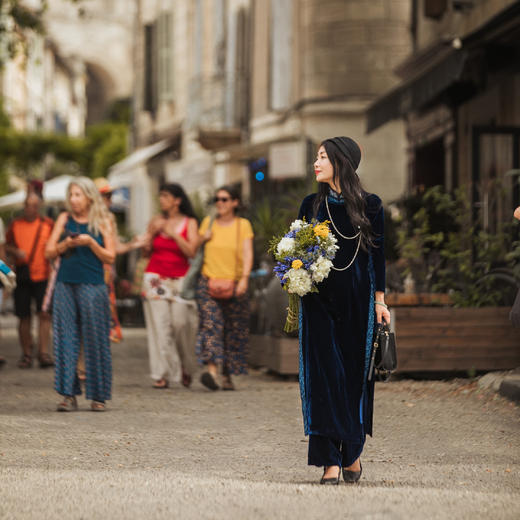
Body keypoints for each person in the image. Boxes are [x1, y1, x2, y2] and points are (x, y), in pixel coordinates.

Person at [296, 137, 390, 485]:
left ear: (342, 161)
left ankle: (351, 454)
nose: (315, 163)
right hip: (317, 302)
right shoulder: (310, 205)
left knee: (352, 379)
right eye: (316, 157)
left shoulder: (371, 205)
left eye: (322, 157)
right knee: (324, 377)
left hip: (358, 303)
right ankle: (329, 462)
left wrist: (380, 301)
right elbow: (298, 250)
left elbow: (378, 259)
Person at [45, 177, 115, 412]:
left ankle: (98, 396)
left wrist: (90, 244)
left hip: (93, 286)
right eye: (71, 195)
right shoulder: (64, 219)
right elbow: (48, 251)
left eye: (78, 195)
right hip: (65, 284)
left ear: (89, 196)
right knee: (65, 339)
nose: (73, 200)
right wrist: (66, 245)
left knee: (96, 341)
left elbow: (111, 256)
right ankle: (67, 394)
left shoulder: (103, 220)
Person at [141, 183, 199, 389]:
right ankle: (161, 372)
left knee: (181, 323)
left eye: (165, 196)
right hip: (155, 277)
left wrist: (172, 233)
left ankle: (184, 364)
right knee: (160, 325)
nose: (161, 200)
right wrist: (148, 240)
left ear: (177, 200)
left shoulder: (189, 223)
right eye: (161, 196)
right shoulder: (155, 221)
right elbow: (145, 253)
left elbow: (192, 252)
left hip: (180, 280)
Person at [196, 185, 254, 391]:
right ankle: (211, 371)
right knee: (211, 324)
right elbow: (193, 247)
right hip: (208, 281)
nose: (219, 203)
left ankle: (228, 375)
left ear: (235, 203)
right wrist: (203, 238)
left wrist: (245, 279)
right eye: (217, 199)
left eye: (224, 199)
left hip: (235, 282)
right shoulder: (208, 223)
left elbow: (248, 253)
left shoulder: (243, 225)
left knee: (233, 329)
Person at [5, 192, 54, 369]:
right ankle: (26, 353)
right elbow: (5, 245)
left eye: (34, 205)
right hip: (23, 275)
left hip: (43, 276)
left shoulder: (48, 224)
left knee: (44, 315)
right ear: (24, 206)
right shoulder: (15, 224)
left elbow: (55, 245)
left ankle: (43, 353)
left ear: (39, 206)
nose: (31, 209)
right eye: (28, 205)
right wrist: (16, 252)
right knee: (23, 316)